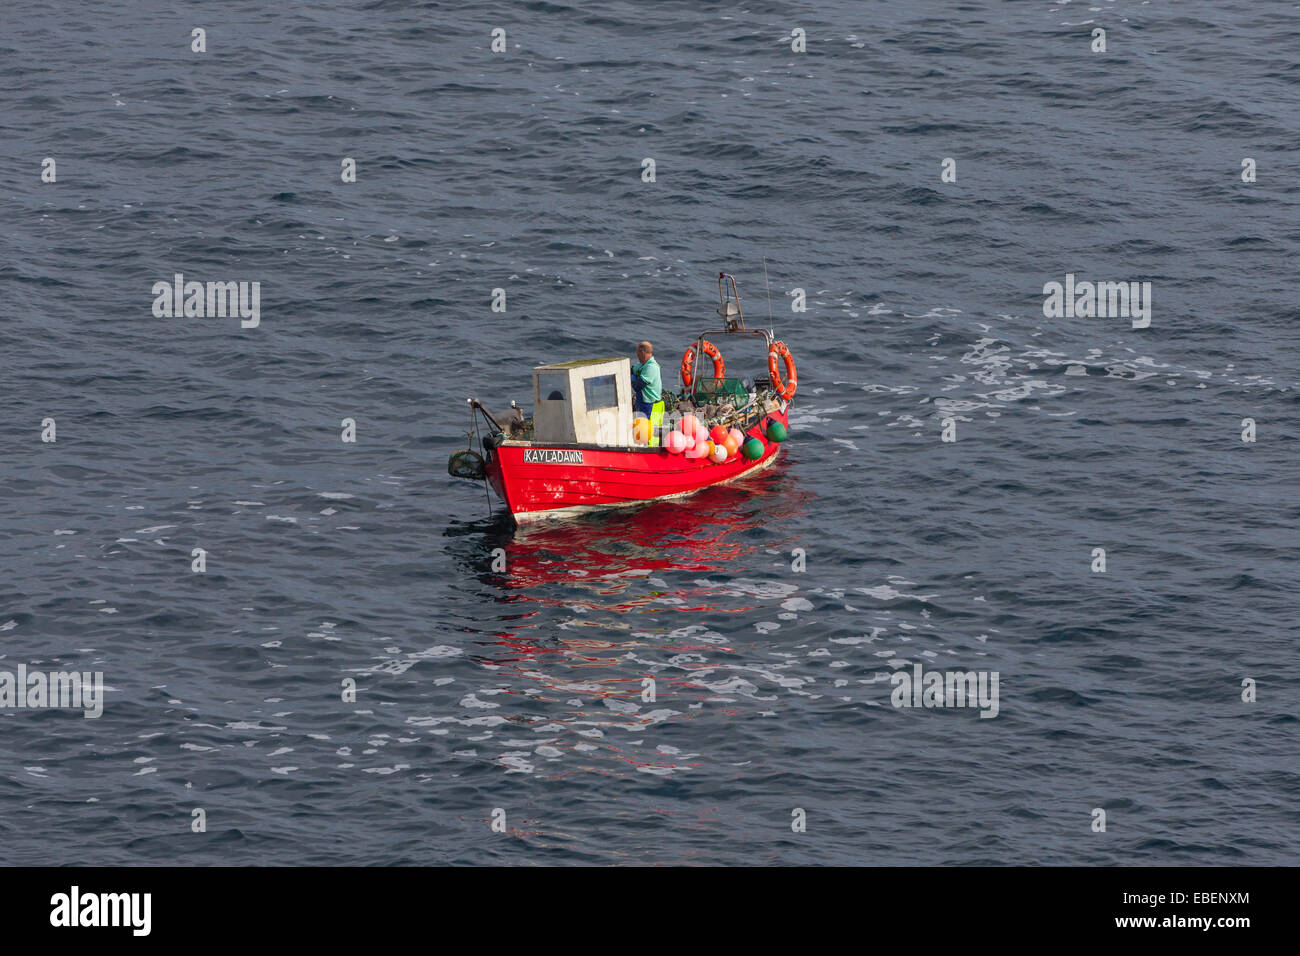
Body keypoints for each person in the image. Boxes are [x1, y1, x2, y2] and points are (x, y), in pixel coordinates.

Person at [631, 340, 665, 446]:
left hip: (650, 405)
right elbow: (632, 369)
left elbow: (637, 386)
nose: (637, 356)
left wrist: (632, 377)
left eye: (638, 354)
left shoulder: (651, 367)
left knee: (648, 433)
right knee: (640, 431)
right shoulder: (642, 365)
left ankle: (648, 451)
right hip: (643, 402)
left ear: (643, 353)